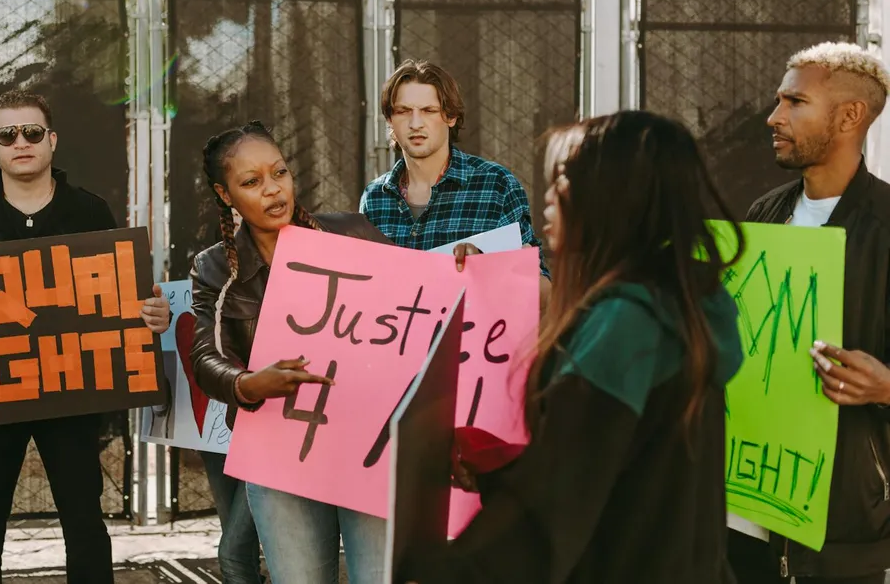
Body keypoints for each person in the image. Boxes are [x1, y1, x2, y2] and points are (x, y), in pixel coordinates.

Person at [411, 110, 746, 583]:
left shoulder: (628, 325)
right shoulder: (677, 305)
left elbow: (552, 507)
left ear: (616, 195)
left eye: (565, 177)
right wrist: (499, 464)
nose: (547, 196)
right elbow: (613, 472)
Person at [188, 120, 480, 584]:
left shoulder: (354, 233)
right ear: (225, 196)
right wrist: (248, 383)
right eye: (251, 182)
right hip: (280, 454)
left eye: (279, 172)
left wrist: (461, 261)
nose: (273, 190)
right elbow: (206, 357)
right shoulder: (216, 266)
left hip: (371, 444)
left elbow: (421, 304)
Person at [0, 89, 171, 584]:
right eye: (8, 133)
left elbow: (116, 303)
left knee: (84, 522)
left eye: (32, 132)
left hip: (71, 392)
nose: (20, 142)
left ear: (53, 141)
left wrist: (149, 313)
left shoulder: (89, 211)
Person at [728, 42, 890, 583]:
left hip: (844, 522)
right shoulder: (762, 214)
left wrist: (887, 386)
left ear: (850, 116)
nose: (774, 117)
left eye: (795, 102)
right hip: (747, 509)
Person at [359, 60, 548, 276]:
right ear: (390, 119)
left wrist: (489, 269)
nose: (415, 123)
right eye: (403, 111)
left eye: (429, 111)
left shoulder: (496, 186)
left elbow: (541, 292)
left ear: (450, 117)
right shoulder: (374, 198)